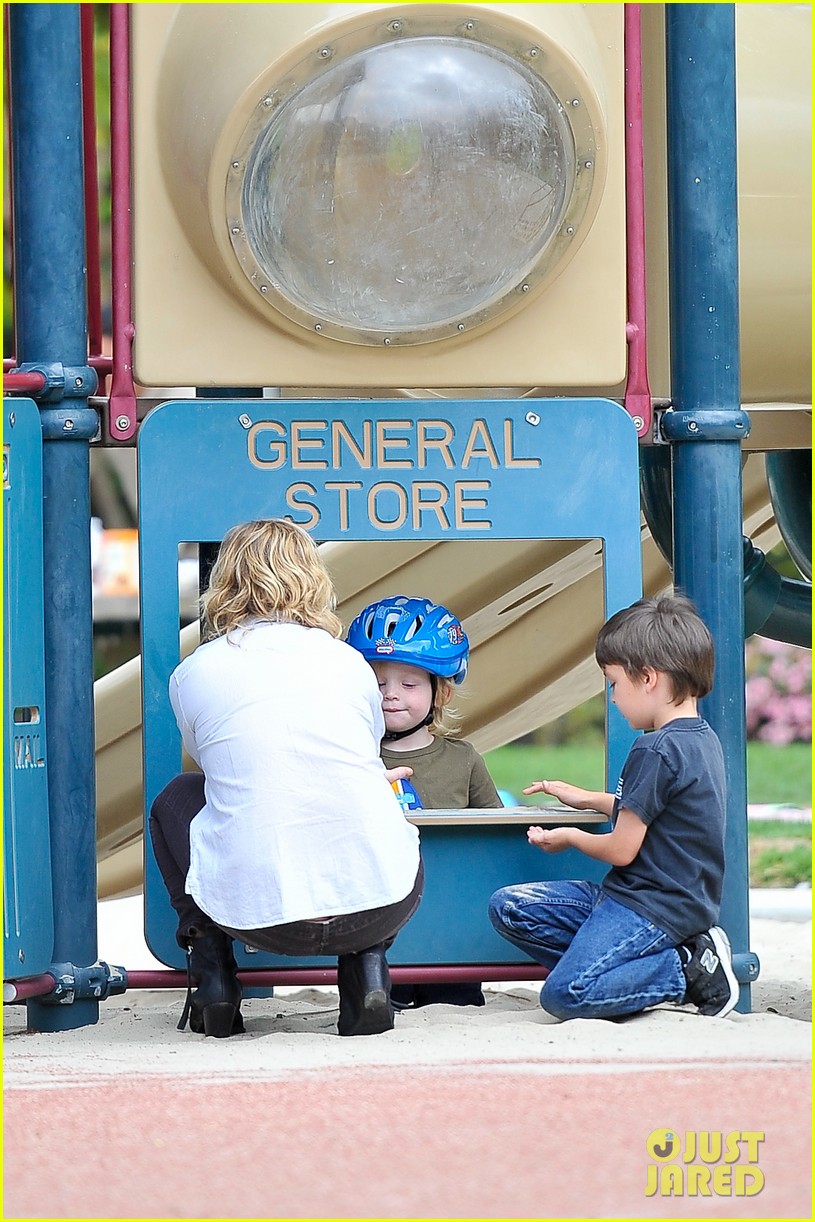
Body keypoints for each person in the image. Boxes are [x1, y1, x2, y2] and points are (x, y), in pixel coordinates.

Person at [149, 519, 423, 1038]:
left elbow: (215, 766)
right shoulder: (349, 663)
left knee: (178, 797)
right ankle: (367, 971)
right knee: (370, 798)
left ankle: (212, 971)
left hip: (258, 916)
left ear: (224, 581)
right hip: (378, 906)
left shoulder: (197, 671)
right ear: (313, 578)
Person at [488, 593, 740, 1022]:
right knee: (510, 907)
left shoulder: (655, 749)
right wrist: (583, 797)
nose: (612, 697)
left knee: (565, 995)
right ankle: (617, 973)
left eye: (614, 684)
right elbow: (654, 811)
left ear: (648, 678)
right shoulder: (700, 739)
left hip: (652, 909)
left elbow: (622, 849)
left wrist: (570, 837)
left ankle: (690, 971)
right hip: (653, 900)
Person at [347, 596, 502, 1008]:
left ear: (442, 691)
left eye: (409, 684)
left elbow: (495, 839)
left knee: (458, 1002)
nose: (390, 695)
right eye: (377, 683)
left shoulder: (463, 759)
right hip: (376, 930)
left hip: (452, 931)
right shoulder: (348, 757)